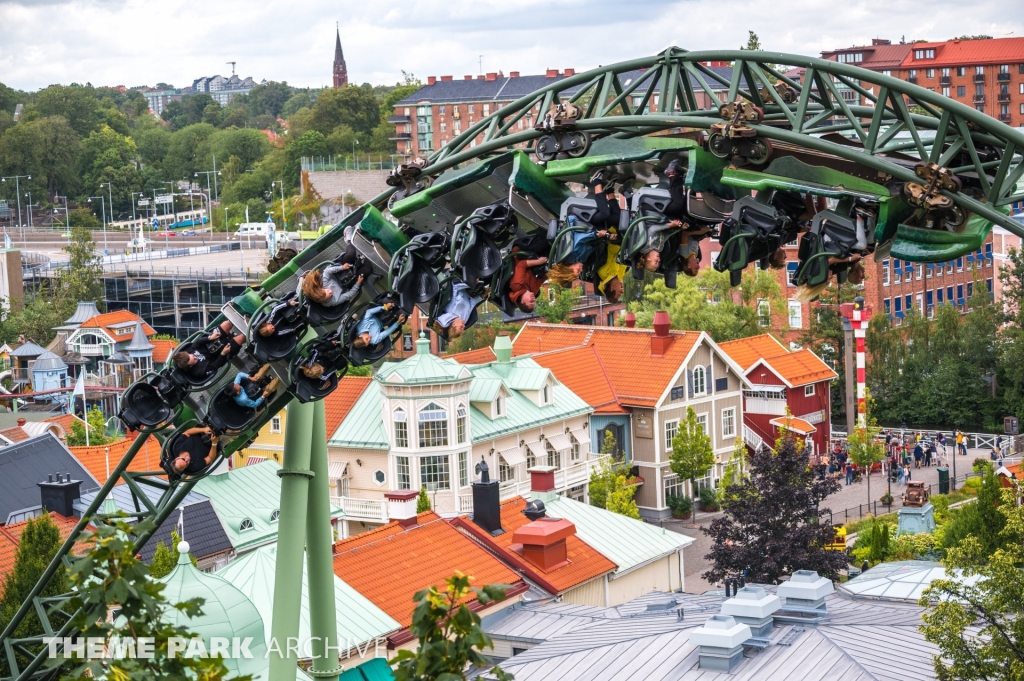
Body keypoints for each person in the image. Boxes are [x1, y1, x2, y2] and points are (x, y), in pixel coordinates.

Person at [300, 243, 370, 307]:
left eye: (327, 291)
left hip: (339, 272)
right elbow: (349, 294)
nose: (330, 292)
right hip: (346, 283)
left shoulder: (324, 284)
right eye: (329, 295)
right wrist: (358, 283)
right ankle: (368, 255)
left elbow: (327, 271)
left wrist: (342, 267)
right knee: (367, 270)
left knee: (351, 254)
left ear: (322, 288)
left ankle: (348, 240)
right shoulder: (334, 301)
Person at [172, 321, 244, 381]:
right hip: (220, 355)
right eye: (194, 360)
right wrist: (223, 353)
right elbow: (215, 365)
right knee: (242, 338)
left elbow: (198, 342)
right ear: (190, 366)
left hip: (211, 342)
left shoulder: (187, 352)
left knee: (227, 324)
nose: (195, 357)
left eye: (193, 356)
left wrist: (210, 338)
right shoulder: (199, 371)